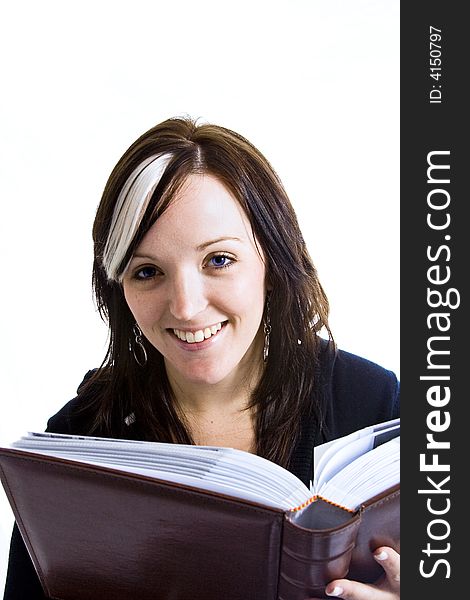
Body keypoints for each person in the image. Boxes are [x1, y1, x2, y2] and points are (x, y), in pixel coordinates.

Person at [3, 116, 400, 600]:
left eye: (218, 260)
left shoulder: (376, 404)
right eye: (147, 272)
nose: (186, 307)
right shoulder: (78, 442)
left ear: (271, 262)